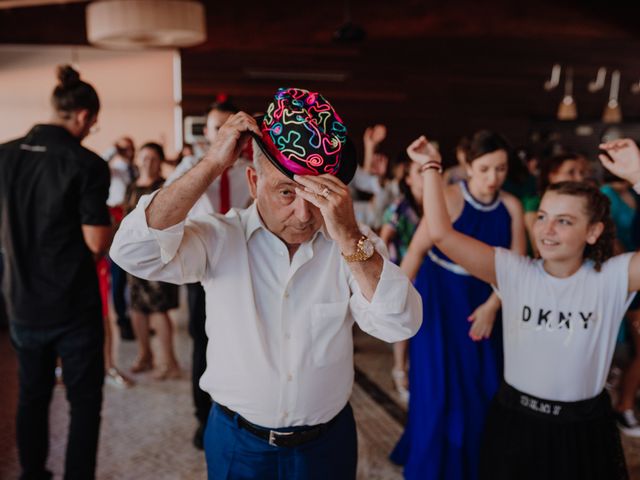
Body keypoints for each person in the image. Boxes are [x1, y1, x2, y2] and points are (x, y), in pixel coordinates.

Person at [111, 87, 422, 479]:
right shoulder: (219, 237)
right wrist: (211, 163)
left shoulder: (353, 245)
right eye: (286, 192)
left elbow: (399, 323)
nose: (304, 213)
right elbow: (133, 251)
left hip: (328, 443)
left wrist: (348, 237)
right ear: (254, 181)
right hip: (238, 443)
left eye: (316, 193)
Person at [412, 134, 640, 479]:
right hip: (516, 421)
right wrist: (430, 166)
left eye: (564, 221)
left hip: (581, 427)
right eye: (544, 216)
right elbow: (441, 235)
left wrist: (638, 175)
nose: (547, 230)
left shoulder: (612, 278)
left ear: (593, 231)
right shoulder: (514, 271)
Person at [391, 130, 526, 480]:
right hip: (440, 298)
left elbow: (520, 268)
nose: (493, 177)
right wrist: (390, 301)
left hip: (485, 302)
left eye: (500, 168)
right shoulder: (449, 198)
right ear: (468, 165)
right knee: (437, 388)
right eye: (485, 169)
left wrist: (493, 306)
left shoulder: (510, 206)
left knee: (482, 388)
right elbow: (417, 253)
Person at [0, 65, 111, 480]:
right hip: (72, 305)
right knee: (83, 401)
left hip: (21, 299)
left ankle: (32, 474)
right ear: (83, 116)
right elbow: (97, 241)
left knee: (32, 396)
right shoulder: (86, 164)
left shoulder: (4, 155)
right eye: (93, 123)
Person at [164, 97, 253, 449]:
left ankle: (240, 410)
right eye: (218, 127)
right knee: (203, 342)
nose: (224, 134)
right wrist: (210, 165)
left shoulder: (251, 168)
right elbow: (170, 206)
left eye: (231, 128)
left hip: (242, 264)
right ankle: (204, 417)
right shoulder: (191, 164)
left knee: (240, 338)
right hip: (202, 264)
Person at [125, 142, 181, 380]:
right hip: (134, 257)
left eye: (152, 158)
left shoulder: (165, 187)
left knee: (159, 309)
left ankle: (169, 362)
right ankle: (144, 355)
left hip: (158, 256)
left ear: (160, 161)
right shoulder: (131, 186)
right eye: (144, 157)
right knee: (137, 308)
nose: (147, 162)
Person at [379, 152, 423, 403]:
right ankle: (399, 368)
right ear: (408, 178)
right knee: (404, 325)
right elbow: (384, 240)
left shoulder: (432, 204)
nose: (425, 178)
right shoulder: (399, 206)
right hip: (404, 271)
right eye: (419, 173)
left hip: (428, 271)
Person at [103, 136, 136, 341]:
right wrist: (113, 149)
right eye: (125, 148)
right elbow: (100, 160)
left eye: (131, 147)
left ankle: (136, 318)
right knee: (118, 275)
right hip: (116, 223)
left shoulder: (136, 170)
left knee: (135, 276)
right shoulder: (113, 170)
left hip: (133, 222)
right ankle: (122, 321)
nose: (129, 151)